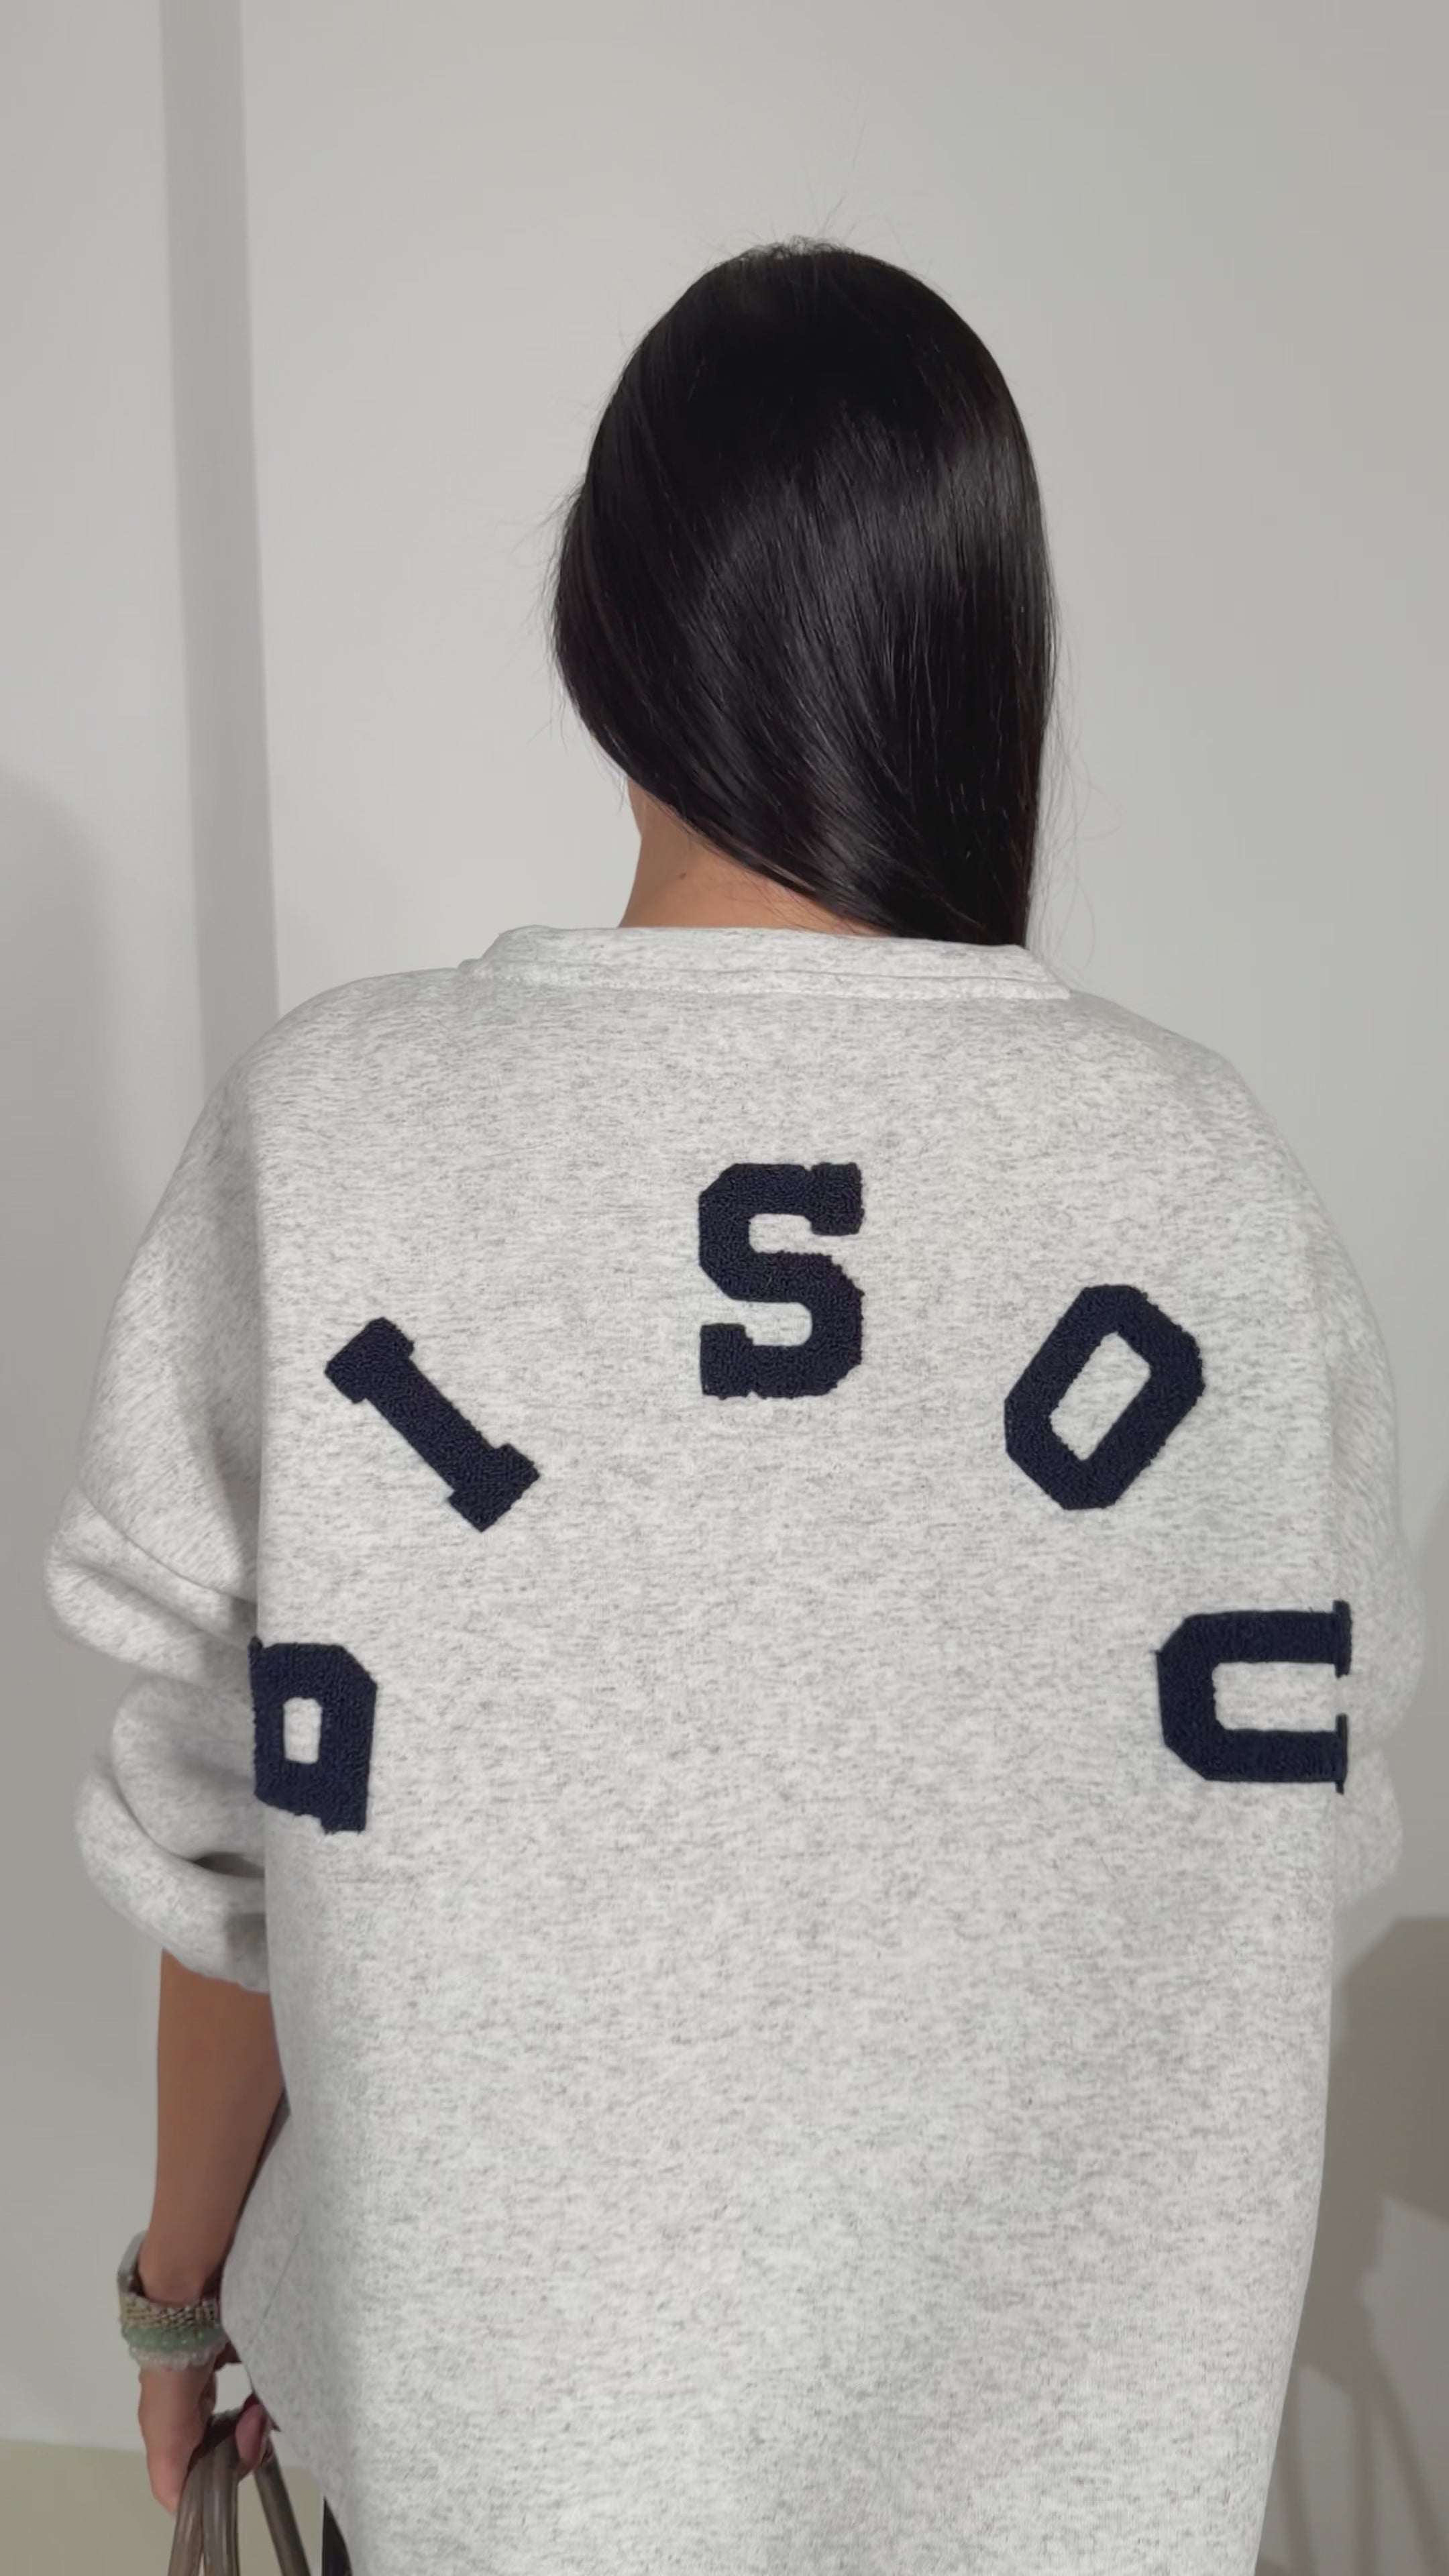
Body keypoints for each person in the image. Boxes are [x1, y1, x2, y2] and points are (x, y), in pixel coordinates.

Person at [43, 238, 1423, 2576]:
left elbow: (227, 1863)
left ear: (608, 628)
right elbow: (1279, 1863)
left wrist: (175, 2301)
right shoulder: (1209, 1189)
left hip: (496, 2496)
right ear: (982, 651)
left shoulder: (343, 1139)